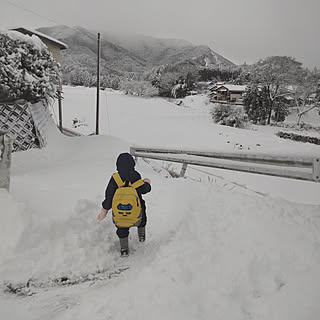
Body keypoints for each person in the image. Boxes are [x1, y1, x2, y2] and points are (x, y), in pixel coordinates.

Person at [97, 152, 151, 256]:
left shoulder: (115, 178)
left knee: (122, 228)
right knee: (142, 215)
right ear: (132, 164)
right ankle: (141, 237)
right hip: (136, 214)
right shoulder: (135, 176)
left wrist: (104, 210)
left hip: (120, 214)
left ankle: (124, 249)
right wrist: (147, 183)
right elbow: (144, 189)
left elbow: (109, 196)